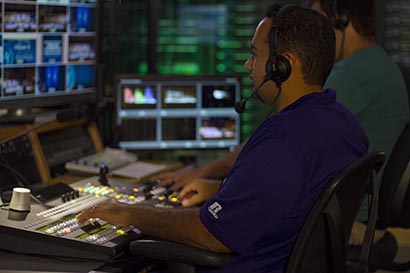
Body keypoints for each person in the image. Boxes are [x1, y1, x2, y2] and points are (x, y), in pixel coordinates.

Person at [77, 5, 369, 272]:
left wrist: (133, 214)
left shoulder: (282, 142)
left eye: (255, 54)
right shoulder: (343, 124)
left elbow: (213, 235)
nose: (246, 65)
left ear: (282, 65)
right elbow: (293, 196)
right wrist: (223, 189)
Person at [305, 0, 409, 246]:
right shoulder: (380, 63)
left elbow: (287, 138)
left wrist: (204, 174)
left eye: (317, 24)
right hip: (356, 216)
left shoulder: (351, 75)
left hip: (343, 222)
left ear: (341, 20)